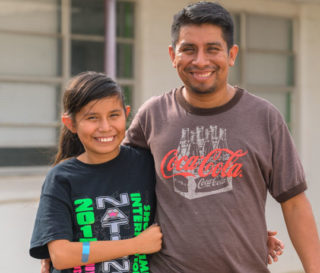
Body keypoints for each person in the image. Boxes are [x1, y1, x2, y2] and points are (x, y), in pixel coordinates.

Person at [122, 1, 320, 273]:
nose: (200, 61)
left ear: (231, 54)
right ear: (172, 55)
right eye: (188, 49)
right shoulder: (152, 115)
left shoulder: (265, 118)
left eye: (212, 49)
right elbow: (112, 184)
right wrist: (67, 237)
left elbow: (295, 203)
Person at [29, 71, 163, 273]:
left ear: (126, 114)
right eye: (92, 118)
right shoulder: (61, 178)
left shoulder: (147, 165)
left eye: (114, 115)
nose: (105, 127)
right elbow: (61, 256)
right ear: (71, 124)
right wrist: (136, 245)